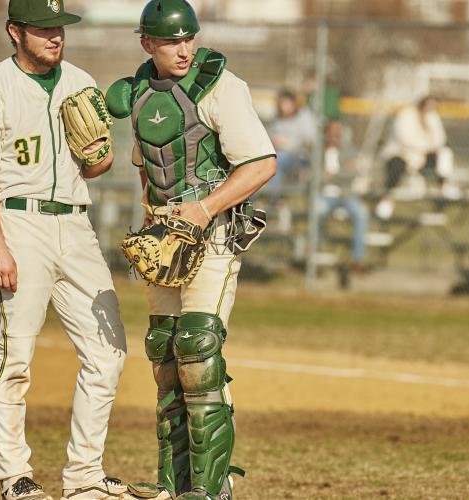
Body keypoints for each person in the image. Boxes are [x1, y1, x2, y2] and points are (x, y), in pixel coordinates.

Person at [0, 1, 128, 499]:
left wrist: (100, 156)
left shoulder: (81, 82)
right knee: (14, 357)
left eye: (60, 28)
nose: (56, 36)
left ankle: (85, 477)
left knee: (109, 352)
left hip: (75, 223)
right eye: (44, 28)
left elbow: (96, 166)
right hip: (19, 222)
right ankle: (15, 477)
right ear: (15, 31)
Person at [105, 1, 277, 499]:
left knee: (198, 350)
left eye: (188, 39)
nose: (183, 50)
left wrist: (203, 209)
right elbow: (149, 166)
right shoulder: (139, 92)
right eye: (170, 41)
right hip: (167, 240)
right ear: (147, 44)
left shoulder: (221, 87)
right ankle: (172, 482)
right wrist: (149, 218)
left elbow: (261, 164)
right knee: (164, 355)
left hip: (213, 236)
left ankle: (211, 487)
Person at [376, 95, 457, 219]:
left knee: (444, 154)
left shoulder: (432, 118)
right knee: (396, 167)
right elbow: (404, 138)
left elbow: (440, 139)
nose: (431, 108)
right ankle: (386, 200)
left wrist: (428, 148)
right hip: (402, 154)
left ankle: (442, 189)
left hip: (422, 156)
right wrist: (424, 147)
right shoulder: (406, 115)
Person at [318, 119, 368, 270]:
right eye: (333, 132)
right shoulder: (318, 152)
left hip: (346, 195)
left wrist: (331, 175)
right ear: (326, 133)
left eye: (339, 132)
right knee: (317, 210)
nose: (336, 135)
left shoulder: (350, 151)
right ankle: (316, 252)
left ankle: (357, 258)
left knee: (362, 213)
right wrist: (340, 173)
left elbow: (351, 175)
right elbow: (314, 176)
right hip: (324, 195)